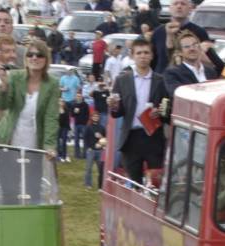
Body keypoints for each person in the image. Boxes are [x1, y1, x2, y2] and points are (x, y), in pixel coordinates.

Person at [0, 38, 61, 203]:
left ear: (46, 59)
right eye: (30, 54)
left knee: (32, 192)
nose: (34, 58)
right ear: (25, 58)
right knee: (9, 191)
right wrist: (3, 86)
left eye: (39, 55)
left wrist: (49, 145)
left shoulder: (52, 84)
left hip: (34, 144)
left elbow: (51, 117)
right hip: (9, 141)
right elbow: (3, 105)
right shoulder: (15, 77)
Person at [108, 37, 167, 186]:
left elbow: (167, 110)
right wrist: (113, 105)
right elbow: (117, 112)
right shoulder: (122, 80)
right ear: (133, 55)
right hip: (131, 137)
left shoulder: (160, 81)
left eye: (146, 52)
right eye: (139, 53)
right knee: (134, 183)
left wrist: (160, 112)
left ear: (152, 55)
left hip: (153, 137)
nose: (143, 56)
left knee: (155, 182)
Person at [152, 0, 223, 74]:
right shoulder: (158, 32)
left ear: (190, 8)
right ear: (170, 8)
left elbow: (216, 65)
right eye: (175, 3)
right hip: (161, 80)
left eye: (183, 4)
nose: (179, 6)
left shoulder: (200, 32)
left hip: (188, 80)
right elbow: (152, 61)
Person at [163, 30, 217, 113]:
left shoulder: (210, 71)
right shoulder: (172, 73)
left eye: (195, 45)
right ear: (180, 52)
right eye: (187, 47)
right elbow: (179, 95)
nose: (192, 49)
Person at [81, 111, 106, 188]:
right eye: (94, 116)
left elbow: (106, 138)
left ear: (99, 118)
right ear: (91, 117)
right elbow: (85, 138)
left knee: (101, 169)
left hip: (100, 151)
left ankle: (102, 185)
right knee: (88, 168)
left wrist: (101, 137)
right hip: (91, 150)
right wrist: (88, 147)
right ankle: (88, 183)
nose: (95, 118)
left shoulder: (102, 127)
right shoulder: (88, 127)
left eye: (97, 116)